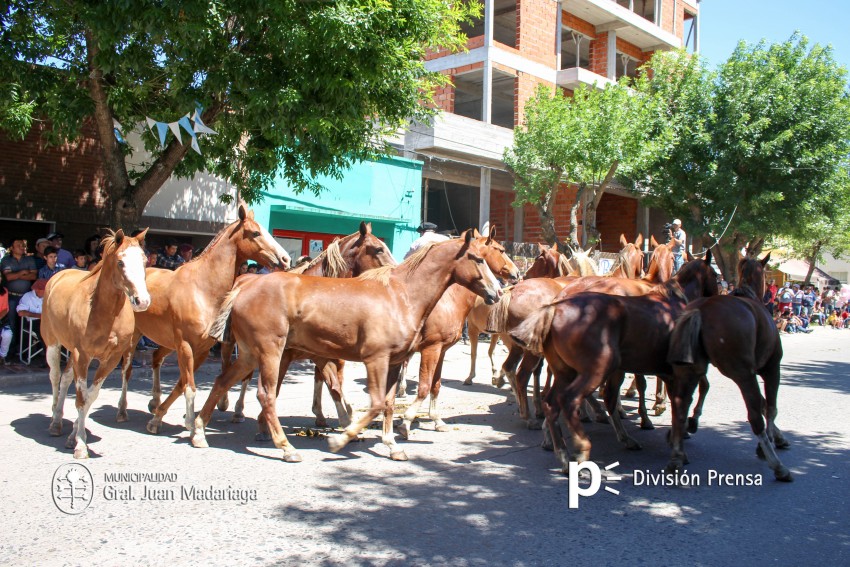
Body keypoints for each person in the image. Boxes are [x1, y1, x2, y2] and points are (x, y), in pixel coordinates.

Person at [0, 238, 37, 361]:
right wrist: (23, 272)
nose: (22, 247)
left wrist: (17, 274)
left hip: (26, 297)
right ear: (11, 248)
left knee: (26, 325)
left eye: (23, 245)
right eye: (19, 245)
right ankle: (10, 352)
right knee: (12, 324)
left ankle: (25, 351)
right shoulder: (6, 260)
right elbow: (8, 277)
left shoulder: (29, 259)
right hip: (11, 296)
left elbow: (33, 276)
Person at [0, 272, 12, 365]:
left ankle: (2, 356)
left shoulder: (4, 291)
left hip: (1, 320)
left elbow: (5, 309)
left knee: (7, 334)